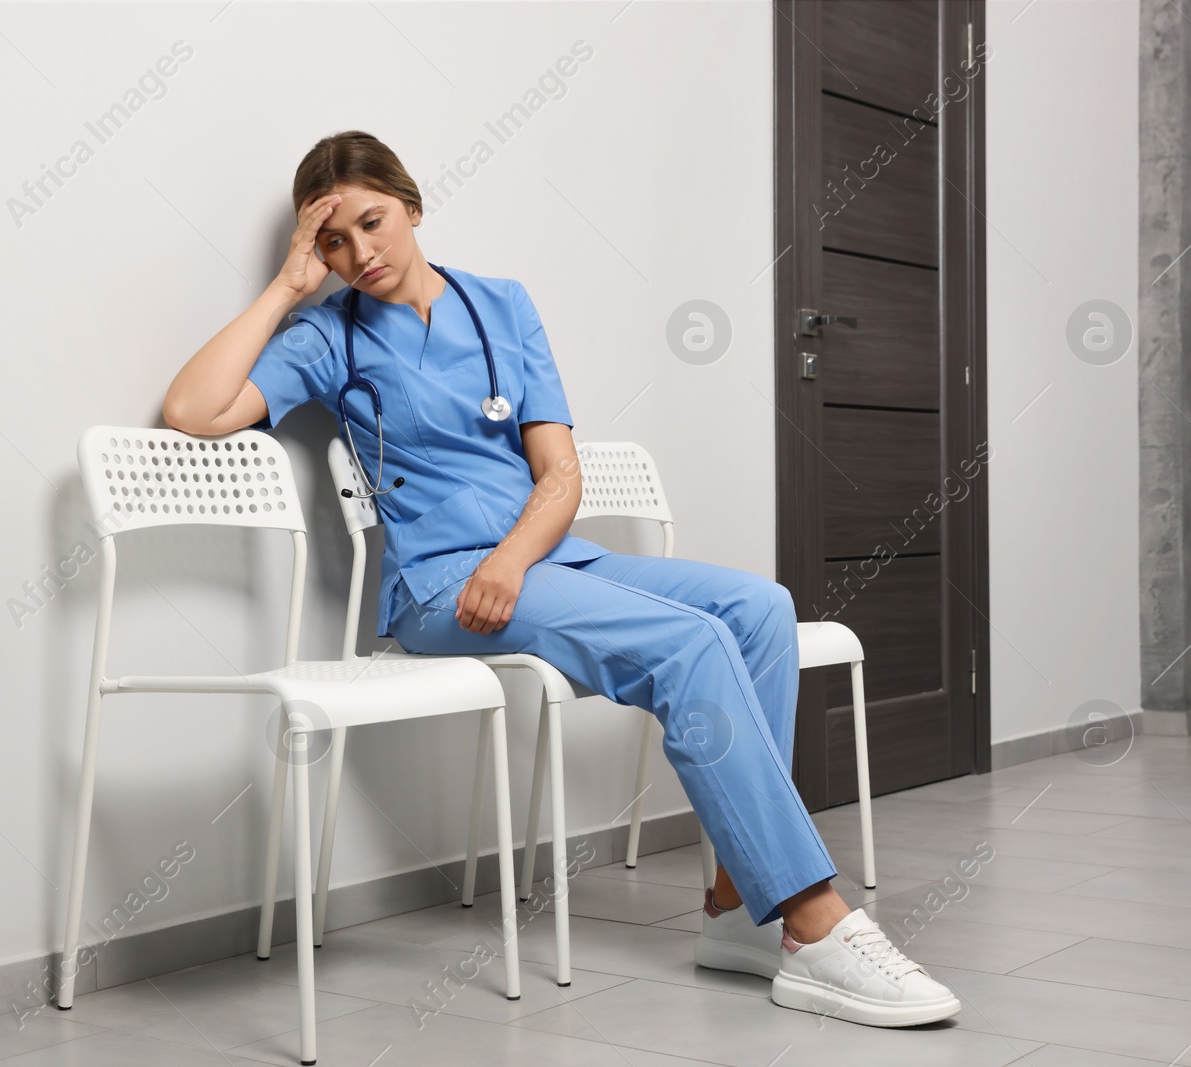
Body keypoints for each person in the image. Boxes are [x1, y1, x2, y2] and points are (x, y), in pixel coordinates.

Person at [162, 130, 960, 1028]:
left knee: (757, 607)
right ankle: (814, 924)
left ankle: (735, 911)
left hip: (535, 562)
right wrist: (286, 286)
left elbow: (561, 474)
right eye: (333, 241)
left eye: (372, 223)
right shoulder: (325, 334)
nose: (359, 254)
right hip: (440, 589)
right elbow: (194, 410)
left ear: (413, 206)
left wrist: (511, 557)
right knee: (689, 644)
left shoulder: (502, 305)